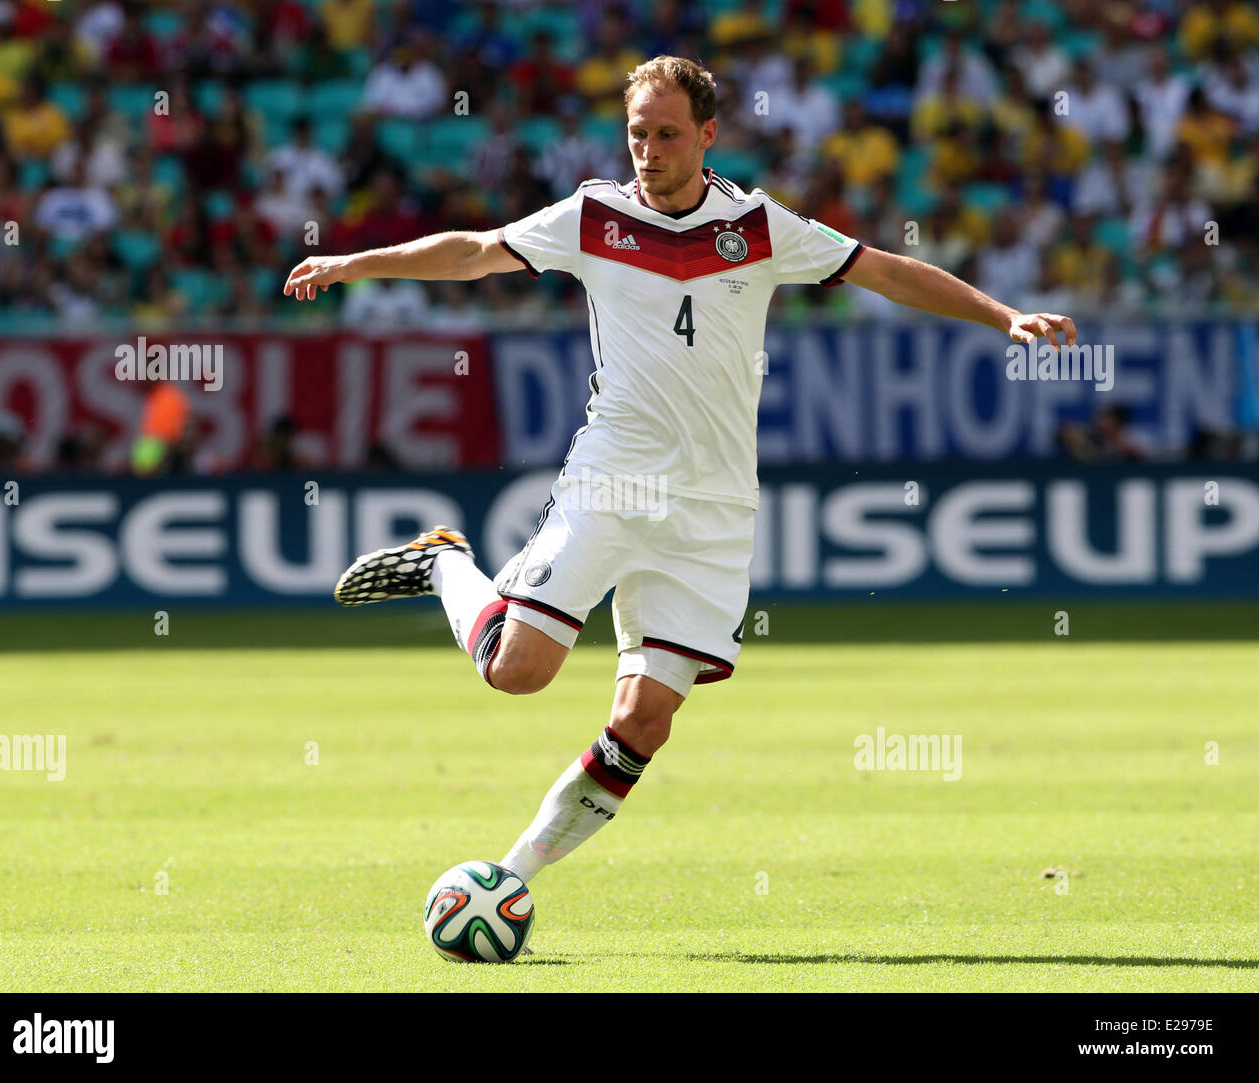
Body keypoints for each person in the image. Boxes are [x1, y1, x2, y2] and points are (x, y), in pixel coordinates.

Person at [282, 56, 1076, 891]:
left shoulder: (761, 227)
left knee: (645, 720)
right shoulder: (593, 216)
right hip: (613, 479)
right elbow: (475, 252)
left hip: (716, 507)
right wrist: (355, 263)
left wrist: (1003, 314)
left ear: (707, 135)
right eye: (636, 134)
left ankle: (507, 879)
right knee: (518, 670)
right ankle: (446, 559)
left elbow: (884, 270)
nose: (648, 151)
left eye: (666, 135)